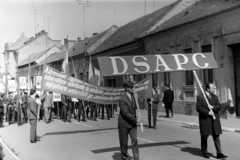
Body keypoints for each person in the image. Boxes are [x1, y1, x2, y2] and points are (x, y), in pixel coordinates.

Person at [196, 83, 227, 159]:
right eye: (213, 88)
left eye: (214, 88)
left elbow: (219, 106)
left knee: (216, 136)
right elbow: (199, 108)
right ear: (208, 89)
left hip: (214, 120)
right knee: (204, 136)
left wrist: (213, 107)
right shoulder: (201, 97)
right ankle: (204, 152)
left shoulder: (215, 97)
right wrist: (207, 112)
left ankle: (219, 153)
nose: (214, 89)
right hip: (205, 119)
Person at [118, 81, 141, 160]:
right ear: (126, 88)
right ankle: (124, 157)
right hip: (124, 123)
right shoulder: (122, 98)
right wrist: (136, 120)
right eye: (131, 87)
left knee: (135, 141)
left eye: (133, 87)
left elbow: (135, 107)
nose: (133, 88)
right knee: (124, 143)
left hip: (132, 124)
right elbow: (125, 113)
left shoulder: (133, 96)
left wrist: (136, 99)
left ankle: (136, 158)